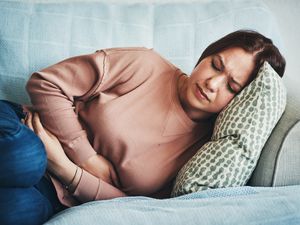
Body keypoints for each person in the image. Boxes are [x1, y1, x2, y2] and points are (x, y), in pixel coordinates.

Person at [0, 30, 285, 225]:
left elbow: (137, 205)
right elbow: (47, 83)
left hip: (55, 196)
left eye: (231, 87)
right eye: (216, 65)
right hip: (26, 131)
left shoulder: (204, 153)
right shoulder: (146, 64)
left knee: (16, 211)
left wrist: (68, 170)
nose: (212, 83)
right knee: (26, 159)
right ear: (205, 55)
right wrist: (87, 157)